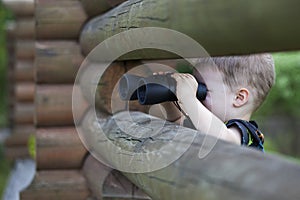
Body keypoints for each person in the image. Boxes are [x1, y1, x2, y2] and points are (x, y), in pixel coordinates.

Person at [159, 54, 275, 151]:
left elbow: (223, 139)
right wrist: (168, 99)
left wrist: (188, 97)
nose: (196, 94)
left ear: (239, 97)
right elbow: (176, 124)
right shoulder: (206, 125)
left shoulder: (245, 132)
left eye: (203, 89)